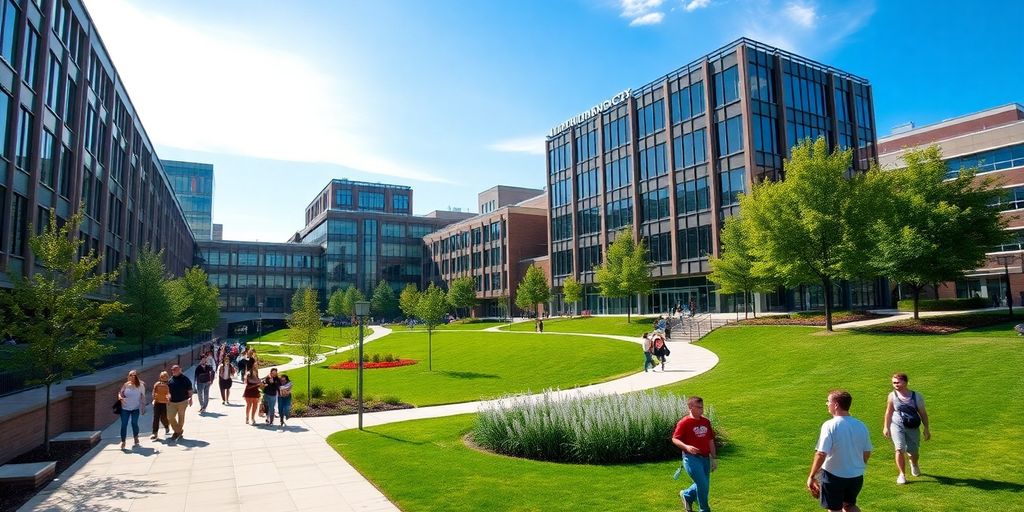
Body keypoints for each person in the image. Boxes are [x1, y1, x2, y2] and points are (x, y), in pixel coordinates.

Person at [807, 390, 872, 512]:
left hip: (833, 476)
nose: (827, 404)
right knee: (849, 505)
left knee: (834, 509)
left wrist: (812, 476)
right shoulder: (861, 425)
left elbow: (821, 453)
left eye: (828, 401)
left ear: (836, 405)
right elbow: (867, 452)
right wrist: (857, 466)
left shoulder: (829, 425)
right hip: (856, 476)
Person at [883, 373, 930, 484]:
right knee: (899, 448)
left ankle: (914, 464)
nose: (895, 385)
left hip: (912, 426)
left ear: (905, 382)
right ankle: (902, 474)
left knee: (913, 451)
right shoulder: (892, 396)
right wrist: (886, 427)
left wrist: (926, 428)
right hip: (897, 425)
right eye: (894, 383)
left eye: (897, 382)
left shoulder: (916, 396)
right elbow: (888, 412)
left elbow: (923, 413)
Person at [672, 396, 717, 512]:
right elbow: (675, 439)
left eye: (702, 407)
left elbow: (710, 440)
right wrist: (686, 447)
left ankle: (686, 495)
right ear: (690, 407)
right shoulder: (684, 422)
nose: (702, 410)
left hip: (705, 459)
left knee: (703, 484)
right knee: (703, 485)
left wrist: (714, 458)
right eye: (699, 407)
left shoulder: (706, 422)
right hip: (691, 458)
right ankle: (704, 509)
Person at [117, 370, 146, 450]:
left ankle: (136, 437)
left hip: (135, 408)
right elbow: (120, 393)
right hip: (125, 408)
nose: (132, 377)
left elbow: (143, 396)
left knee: (134, 423)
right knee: (124, 425)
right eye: (130, 375)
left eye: (134, 375)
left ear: (137, 376)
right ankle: (123, 441)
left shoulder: (141, 385)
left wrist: (143, 407)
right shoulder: (125, 385)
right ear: (128, 376)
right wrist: (120, 398)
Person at [165, 365, 194, 440]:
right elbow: (168, 391)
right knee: (170, 417)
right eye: (172, 370)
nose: (173, 371)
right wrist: (168, 396)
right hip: (172, 403)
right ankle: (179, 431)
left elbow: (190, 390)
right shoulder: (170, 380)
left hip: (183, 402)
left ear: (180, 370)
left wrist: (191, 399)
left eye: (175, 369)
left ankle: (176, 433)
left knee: (181, 417)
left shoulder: (185, 379)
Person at [150, 371, 171, 440]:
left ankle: (166, 426)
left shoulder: (169, 384)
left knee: (163, 418)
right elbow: (154, 392)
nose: (164, 378)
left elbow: (169, 393)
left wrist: (169, 398)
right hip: (157, 402)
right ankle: (154, 433)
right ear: (160, 377)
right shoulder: (157, 384)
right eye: (162, 377)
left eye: (165, 377)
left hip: (165, 403)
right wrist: (154, 397)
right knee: (156, 418)